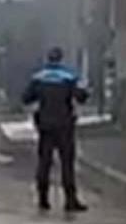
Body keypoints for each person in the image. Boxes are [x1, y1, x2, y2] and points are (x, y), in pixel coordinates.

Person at [22, 47, 90, 213]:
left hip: (45, 125)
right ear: (61, 59)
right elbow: (81, 97)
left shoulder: (39, 77)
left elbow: (26, 98)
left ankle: (43, 199)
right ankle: (70, 200)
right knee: (67, 163)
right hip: (65, 125)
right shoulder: (69, 77)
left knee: (44, 162)